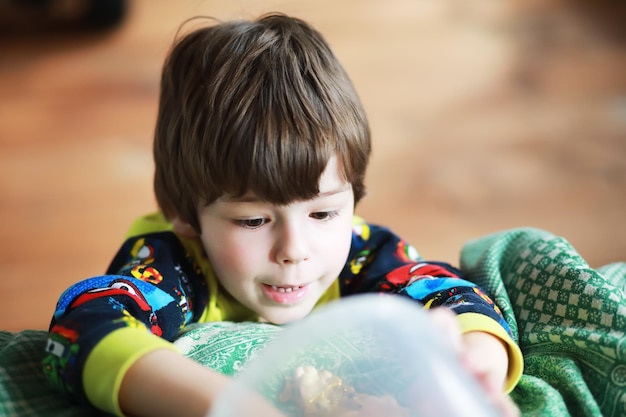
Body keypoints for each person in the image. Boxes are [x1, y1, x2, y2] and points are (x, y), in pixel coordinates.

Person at [42, 13, 524, 417]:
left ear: (354, 197)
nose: (295, 250)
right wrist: (231, 406)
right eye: (253, 221)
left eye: (323, 213)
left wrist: (476, 365)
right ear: (185, 214)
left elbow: (452, 295)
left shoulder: (363, 252)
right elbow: (83, 328)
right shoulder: (173, 263)